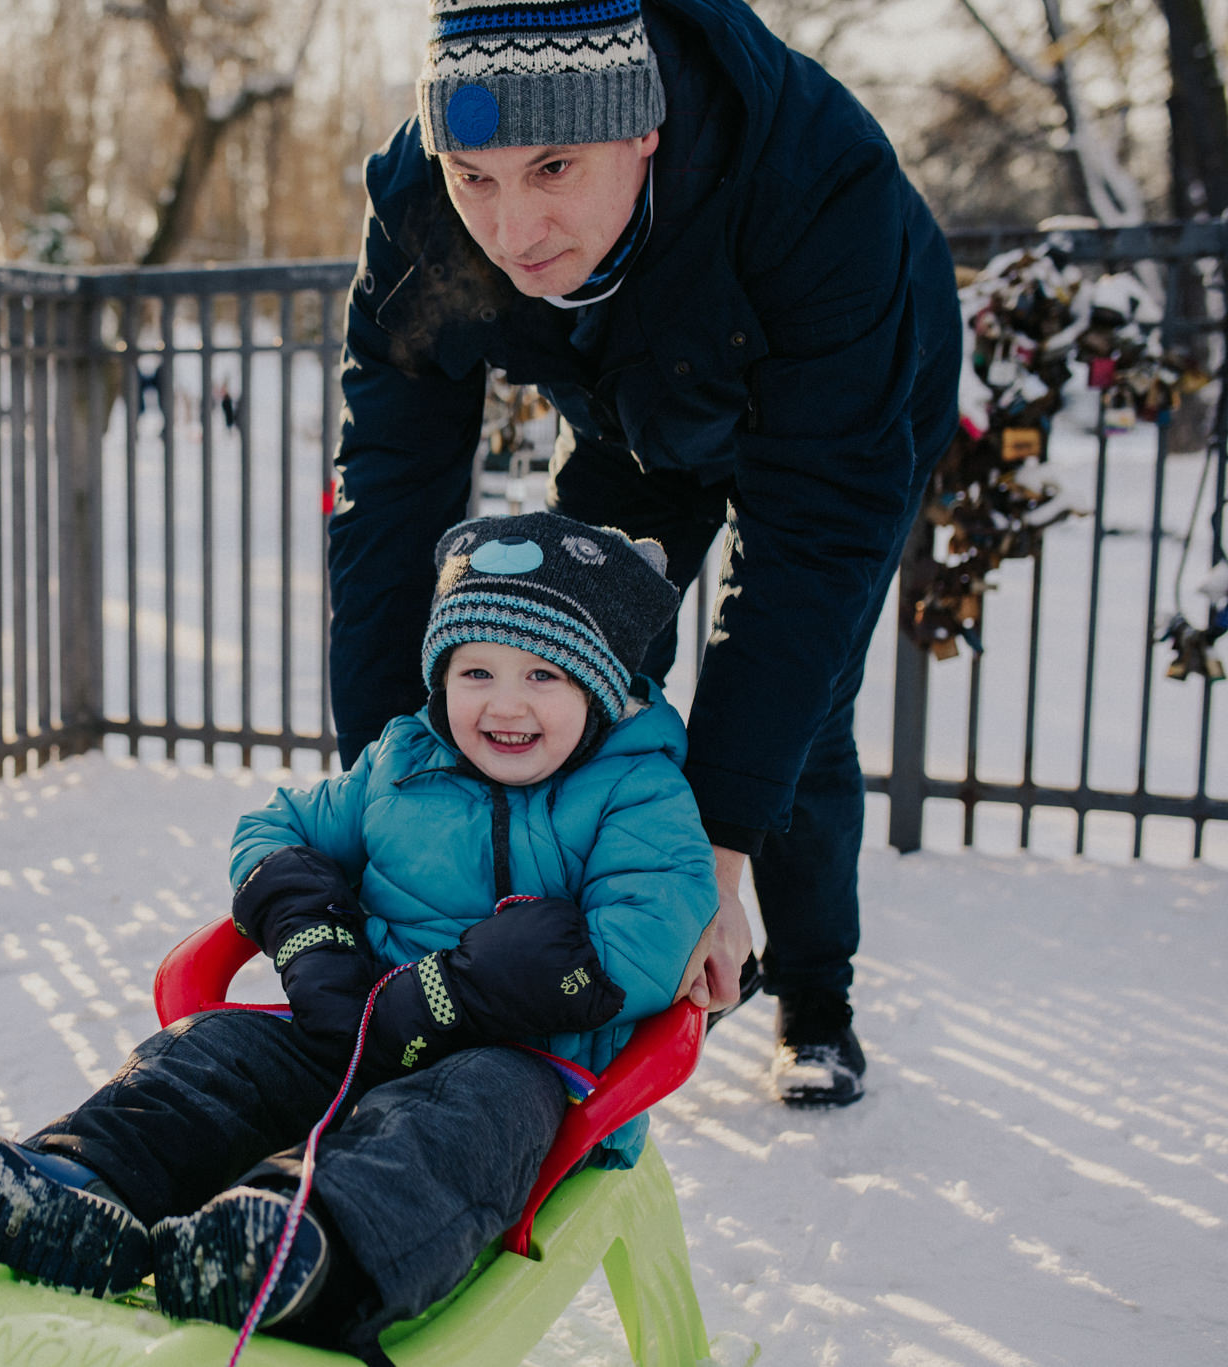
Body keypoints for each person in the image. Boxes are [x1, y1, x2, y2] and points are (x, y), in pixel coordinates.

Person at [0, 510, 716, 1357]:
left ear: (601, 687)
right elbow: (271, 831)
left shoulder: (636, 794)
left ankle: (296, 1245)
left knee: (452, 1121)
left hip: (526, 1066)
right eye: (476, 670)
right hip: (358, 1027)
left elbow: (653, 940)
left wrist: (462, 989)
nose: (504, 703)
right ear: (440, 677)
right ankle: (78, 1182)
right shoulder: (404, 761)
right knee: (213, 1052)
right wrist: (314, 939)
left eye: (544, 675)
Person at [328, 0, 964, 1107]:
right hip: (635, 412)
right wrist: (387, 772)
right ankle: (568, 951)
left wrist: (717, 844)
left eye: (552, 166)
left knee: (798, 711)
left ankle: (811, 992)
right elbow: (388, 496)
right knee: (562, 658)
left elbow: (811, 547)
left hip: (841, 400)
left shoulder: (818, 187)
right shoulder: (424, 211)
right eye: (473, 175)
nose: (511, 229)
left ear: (641, 127)